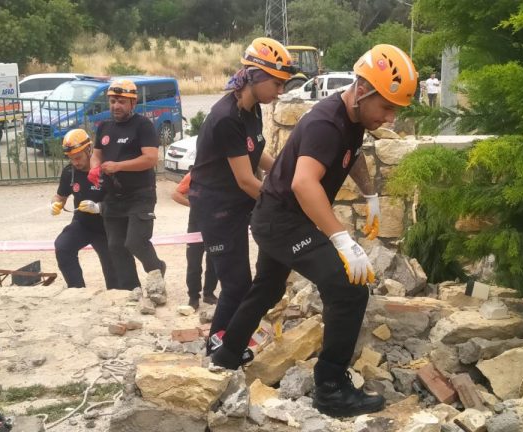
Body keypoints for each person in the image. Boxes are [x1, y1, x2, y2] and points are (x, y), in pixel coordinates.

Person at [209, 44, 418, 418]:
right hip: (282, 220)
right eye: (386, 107)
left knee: (268, 288)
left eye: (395, 110)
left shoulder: (353, 118)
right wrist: (341, 239)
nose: (389, 118)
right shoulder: (326, 122)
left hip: (280, 217)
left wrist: (370, 195)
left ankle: (225, 355)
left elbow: (352, 156)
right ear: (364, 90)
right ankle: (331, 388)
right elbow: (305, 184)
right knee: (349, 289)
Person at [188, 37, 294, 342]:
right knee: (235, 285)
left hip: (236, 203)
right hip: (216, 207)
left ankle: (235, 335)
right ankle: (217, 346)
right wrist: (282, 201)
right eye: (277, 83)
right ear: (256, 77)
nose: (280, 91)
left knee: (249, 281)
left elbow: (255, 151)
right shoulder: (225, 118)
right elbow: (246, 180)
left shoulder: (252, 109)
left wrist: (283, 172)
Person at [88, 79, 163, 289]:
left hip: (140, 194)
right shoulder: (104, 126)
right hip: (112, 196)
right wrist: (94, 168)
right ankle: (132, 289)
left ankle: (157, 273)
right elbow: (96, 156)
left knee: (135, 242)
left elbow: (150, 159)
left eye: (121, 101)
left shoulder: (143, 125)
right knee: (116, 246)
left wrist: (119, 166)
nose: (116, 106)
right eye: (112, 101)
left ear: (133, 103)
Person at [51, 128, 120, 289]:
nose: (75, 162)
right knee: (62, 246)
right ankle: (77, 290)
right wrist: (55, 204)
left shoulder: (106, 169)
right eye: (71, 158)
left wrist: (99, 207)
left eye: (78, 157)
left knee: (114, 275)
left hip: (108, 227)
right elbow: (60, 196)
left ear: (89, 150)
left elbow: (121, 201)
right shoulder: (70, 172)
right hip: (83, 224)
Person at [171, 172, 218, 309]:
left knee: (214, 261)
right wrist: (191, 204)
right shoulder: (194, 174)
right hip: (196, 224)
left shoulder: (224, 172)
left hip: (217, 224)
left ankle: (209, 293)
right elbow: (175, 194)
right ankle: (193, 296)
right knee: (194, 262)